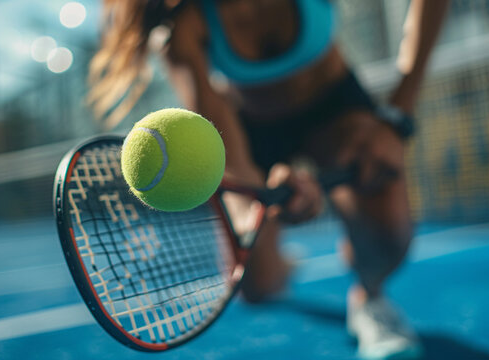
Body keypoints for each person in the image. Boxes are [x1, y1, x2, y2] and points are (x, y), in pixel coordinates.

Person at [89, 0, 449, 358]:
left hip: (337, 113)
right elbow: (234, 159)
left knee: (390, 241)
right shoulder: (183, 28)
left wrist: (396, 118)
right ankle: (280, 261)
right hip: (251, 131)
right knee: (257, 287)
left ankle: (368, 295)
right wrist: (261, 208)